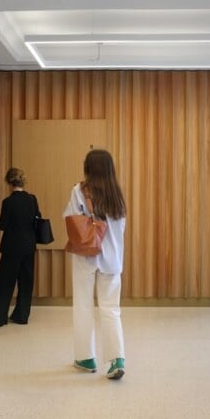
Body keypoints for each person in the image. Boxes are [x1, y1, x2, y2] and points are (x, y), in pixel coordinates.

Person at [63, 149, 127, 380]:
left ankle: (86, 358)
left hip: (85, 256)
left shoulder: (79, 191)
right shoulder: (116, 195)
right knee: (111, 309)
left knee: (83, 305)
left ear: (88, 168)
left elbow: (71, 219)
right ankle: (117, 359)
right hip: (112, 260)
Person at [0, 168, 40, 327]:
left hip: (12, 248)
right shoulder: (32, 199)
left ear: (8, 182)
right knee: (26, 281)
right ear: (23, 181)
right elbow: (37, 218)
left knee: (4, 282)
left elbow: (2, 225)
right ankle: (21, 316)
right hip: (29, 246)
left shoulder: (8, 202)